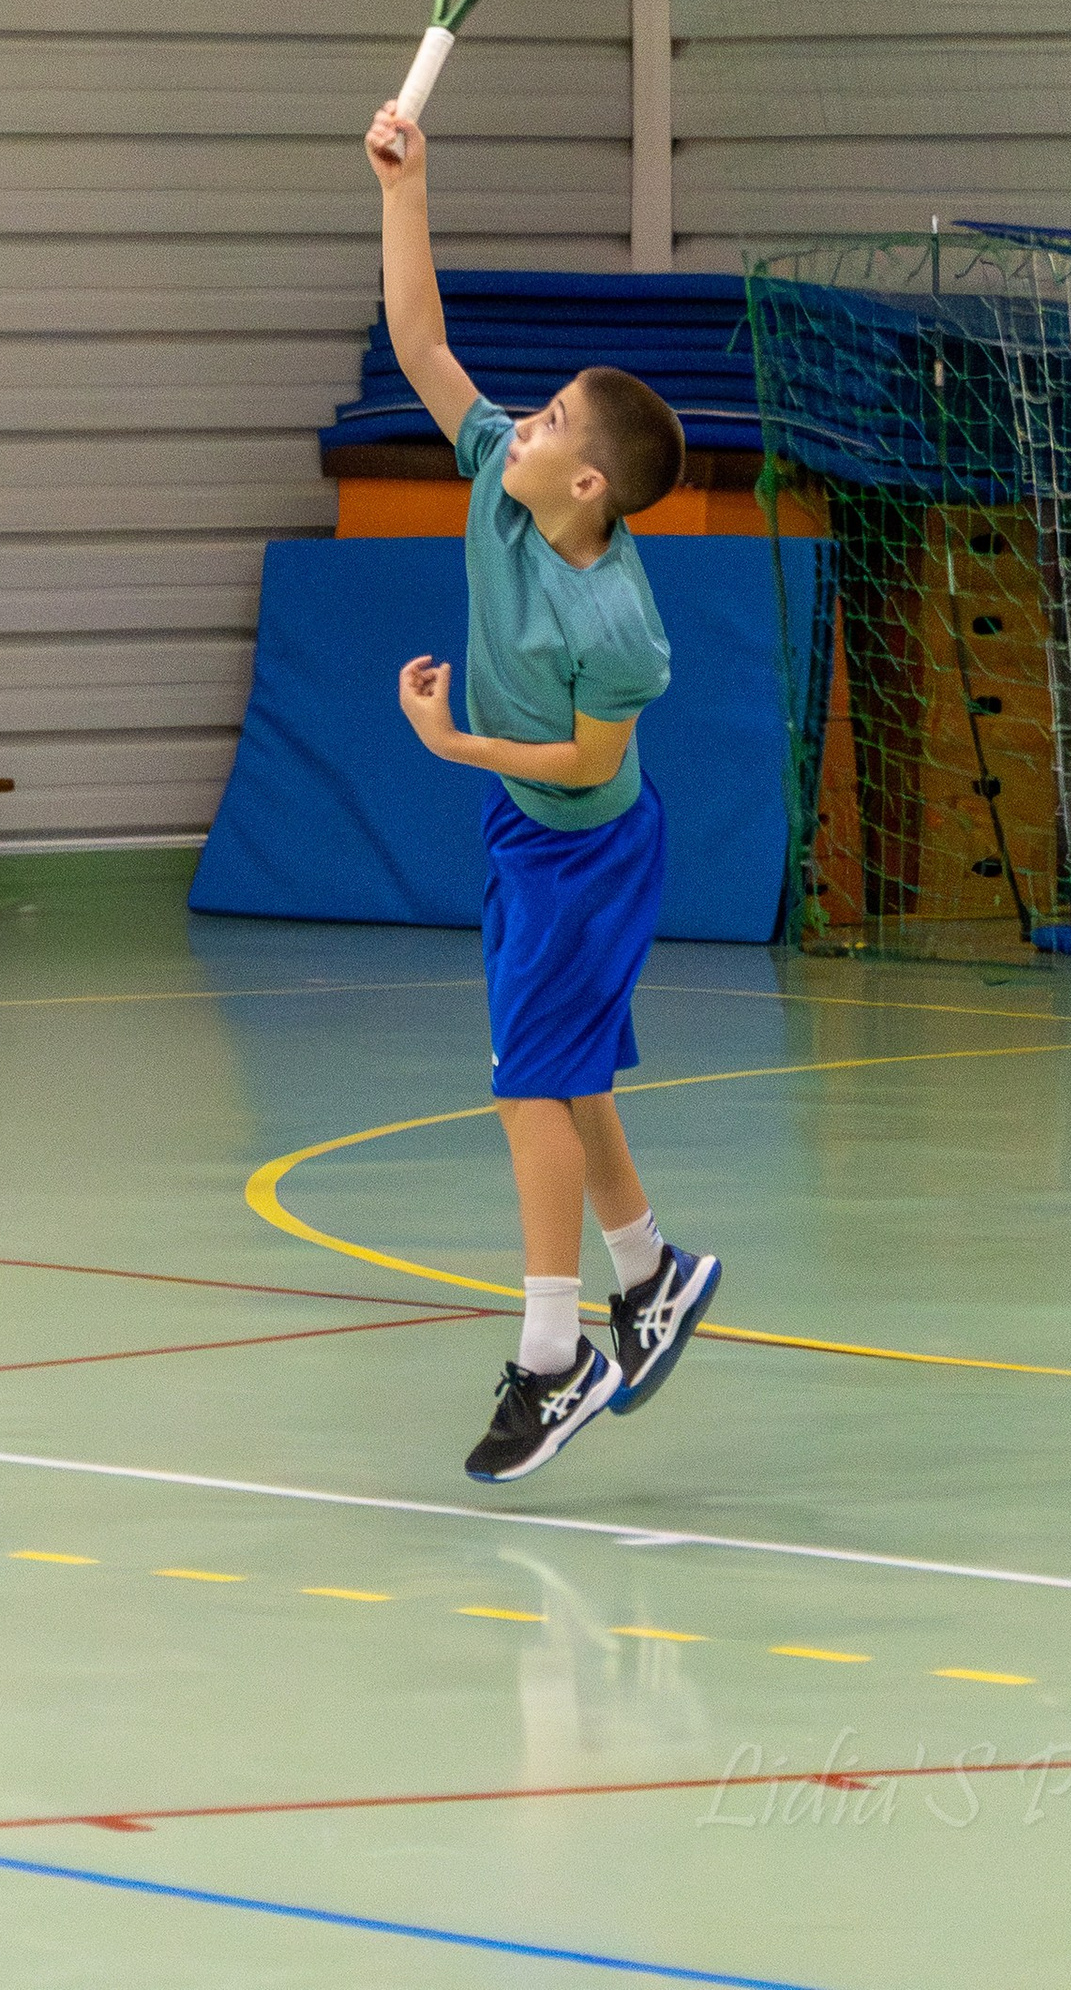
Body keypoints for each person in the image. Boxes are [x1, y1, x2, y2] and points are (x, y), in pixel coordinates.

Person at [365, 96, 722, 1484]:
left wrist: (455, 751)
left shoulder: (615, 621)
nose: (522, 420)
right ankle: (651, 1276)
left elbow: (591, 760)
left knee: (532, 1083)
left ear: (587, 484)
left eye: (552, 420)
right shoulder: (500, 483)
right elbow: (421, 343)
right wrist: (408, 186)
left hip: (587, 847)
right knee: (559, 1075)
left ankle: (552, 1356)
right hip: (527, 835)